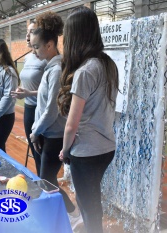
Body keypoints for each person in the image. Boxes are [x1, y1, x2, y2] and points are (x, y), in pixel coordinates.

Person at [58, 6, 119, 233]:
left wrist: (65, 151)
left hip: (87, 151)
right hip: (106, 147)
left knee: (87, 201)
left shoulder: (85, 71)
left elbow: (72, 124)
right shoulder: (107, 64)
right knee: (92, 198)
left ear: (75, 36)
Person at [28, 11, 82, 230]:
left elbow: (51, 110)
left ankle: (73, 213)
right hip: (48, 133)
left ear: (50, 44)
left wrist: (35, 130)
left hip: (54, 134)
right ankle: (67, 213)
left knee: (47, 181)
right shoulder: (51, 67)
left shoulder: (56, 69)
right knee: (46, 180)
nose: (34, 50)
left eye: (36, 46)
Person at [11, 20, 46, 176]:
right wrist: (22, 90)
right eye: (27, 32)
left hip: (43, 110)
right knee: (35, 151)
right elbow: (29, 81)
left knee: (43, 155)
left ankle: (46, 186)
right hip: (29, 109)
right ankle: (41, 183)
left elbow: (51, 91)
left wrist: (29, 93)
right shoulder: (27, 58)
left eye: (31, 32)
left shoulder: (46, 58)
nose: (27, 35)